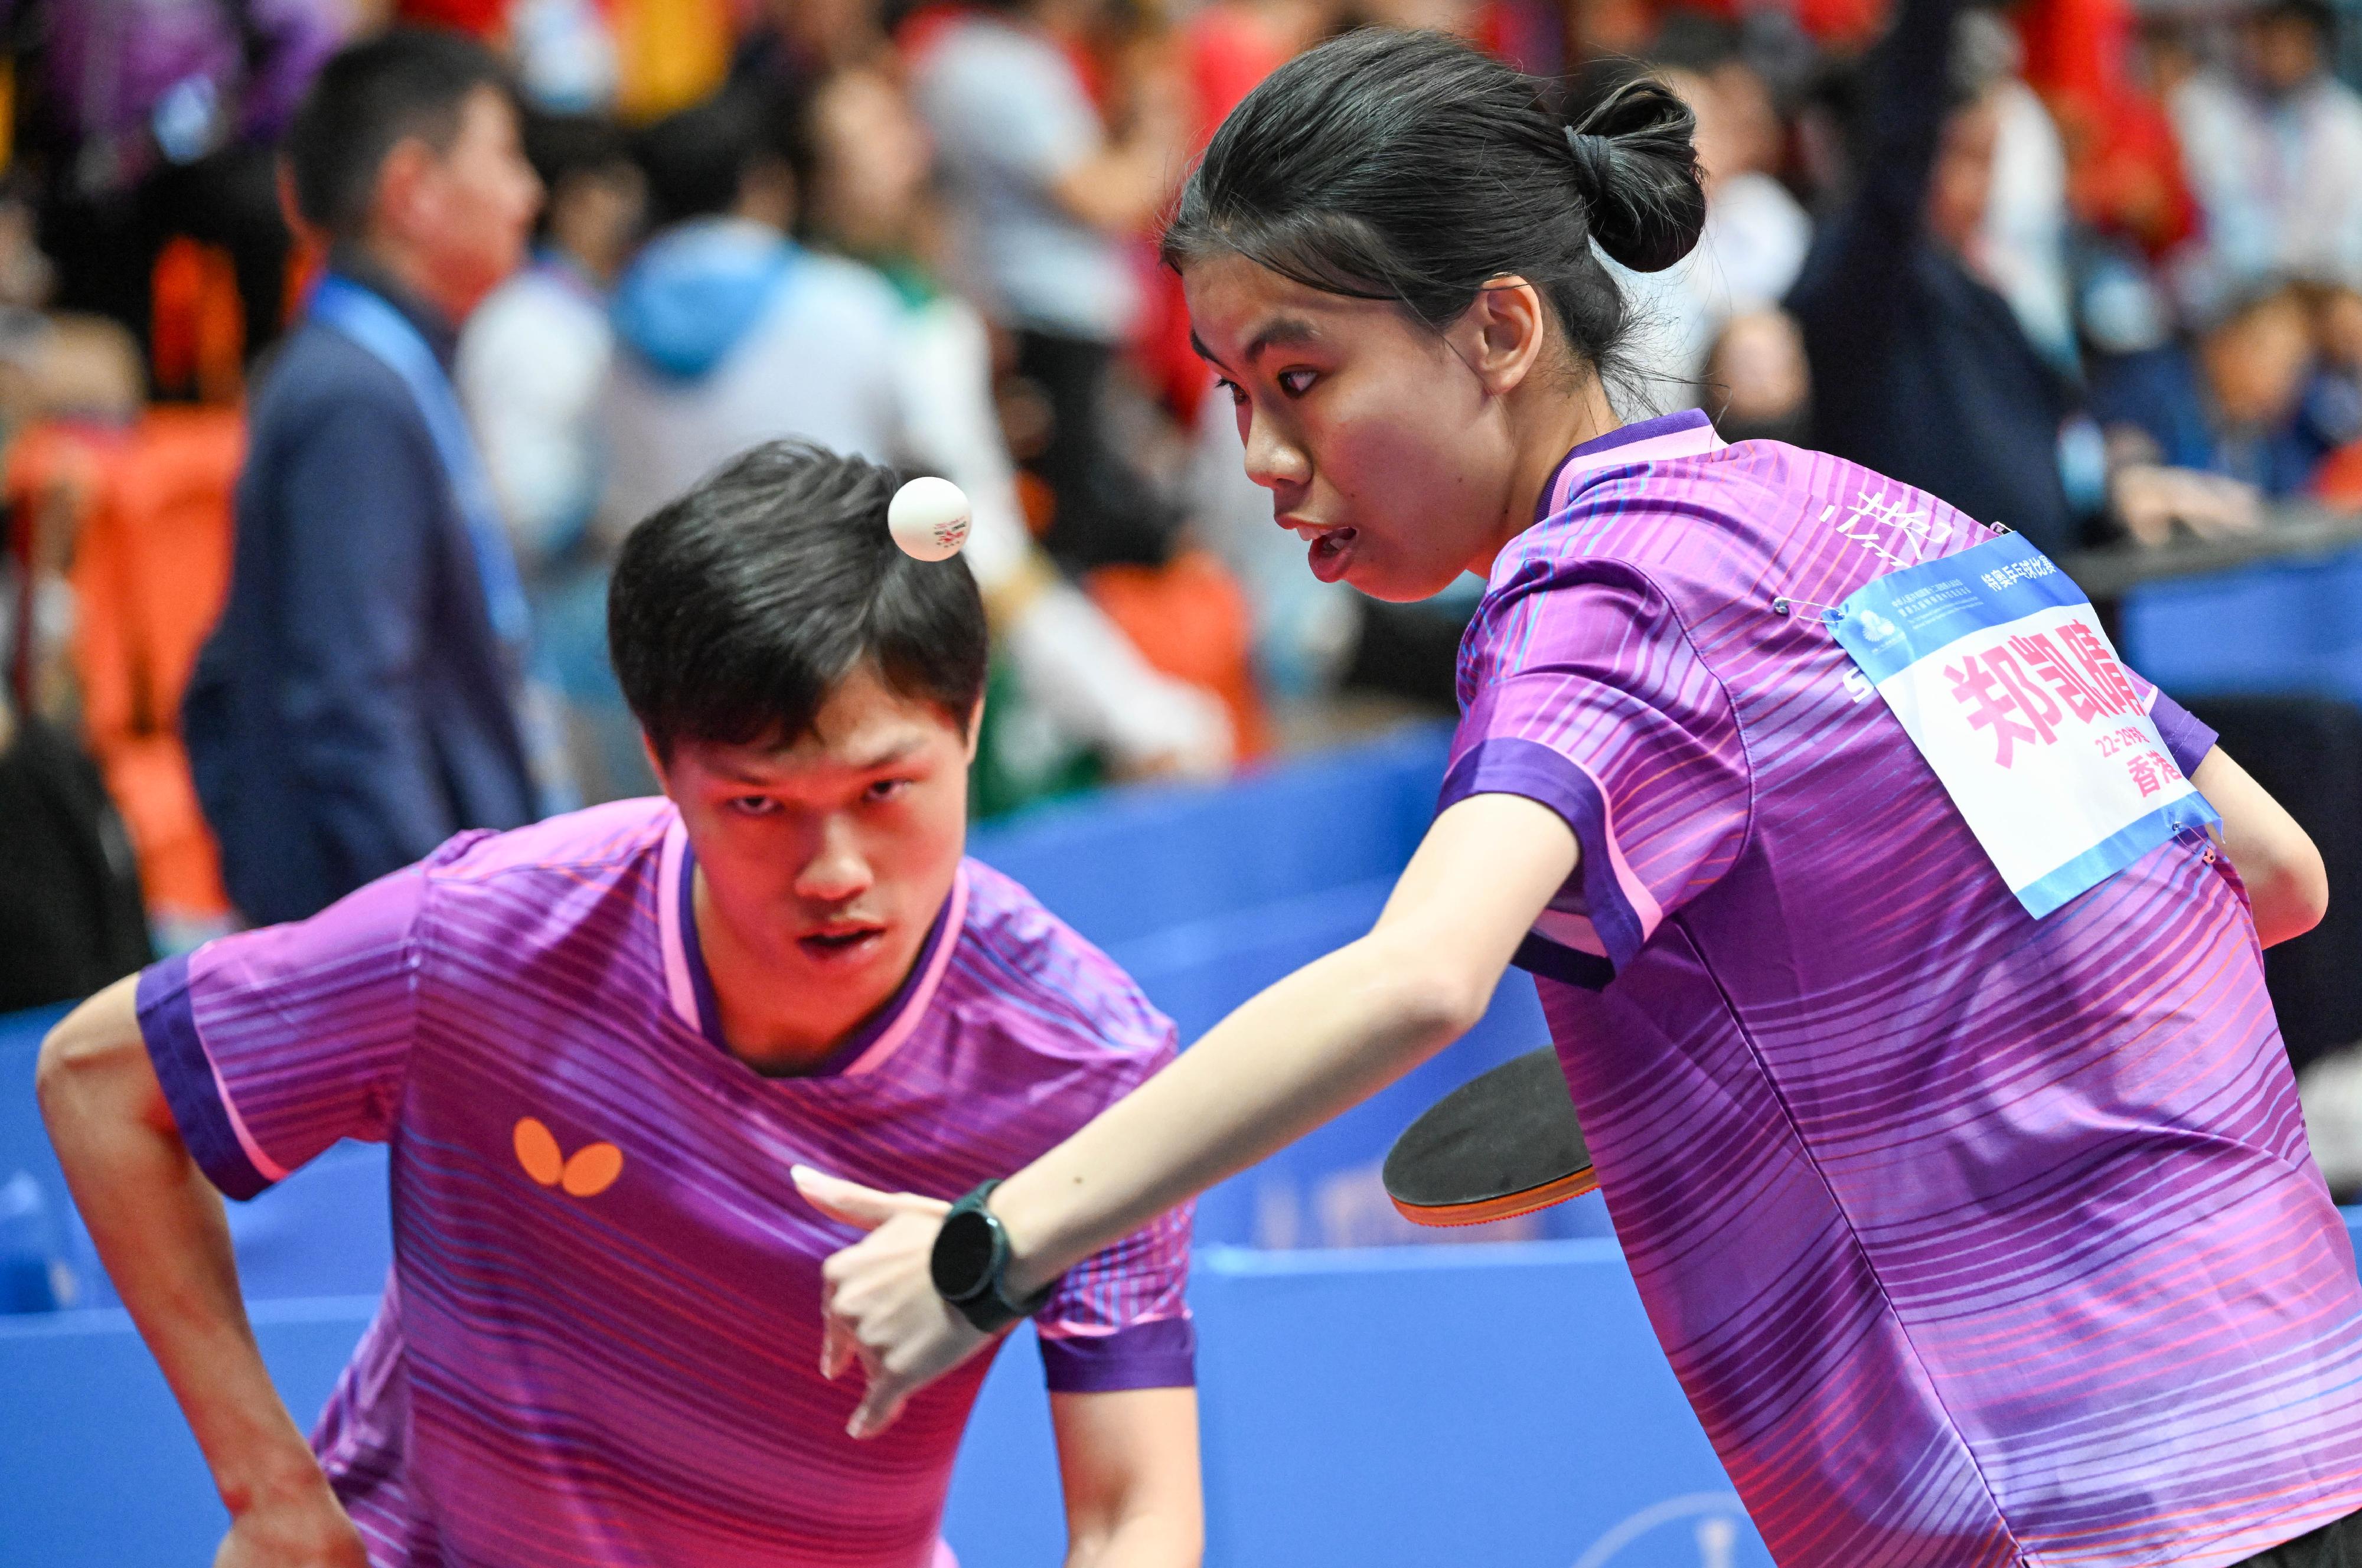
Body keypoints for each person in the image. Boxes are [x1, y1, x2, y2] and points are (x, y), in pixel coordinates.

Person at [807, 30, 2362, 1568]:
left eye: (1303, 376)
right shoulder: (1873, 515)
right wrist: (1815, 1031)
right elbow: (2271, 872)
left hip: (2058, 1497)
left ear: (1498, 330)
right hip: (2307, 1419)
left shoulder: (1608, 586)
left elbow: (1417, 977)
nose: (1264, 455)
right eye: (1227, 390)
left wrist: (991, 1245)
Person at [37, 442, 1204, 1567]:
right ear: (658, 758)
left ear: (971, 724)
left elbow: (1135, 1514)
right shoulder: (481, 936)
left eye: (885, 787)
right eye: (756, 804)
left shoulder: (1083, 1069)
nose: (833, 866)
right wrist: (272, 1493)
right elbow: (99, 1079)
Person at [605, 81, 1229, 784]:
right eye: (873, 136)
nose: (911, 147)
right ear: (785, 184)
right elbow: (976, 544)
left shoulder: (610, 335)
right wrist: (1133, 710)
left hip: (695, 694)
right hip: (869, 679)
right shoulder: (876, 316)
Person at [182, 31, 550, 928]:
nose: (529, 193)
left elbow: (225, 683)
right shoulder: (355, 393)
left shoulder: (365, 367)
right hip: (404, 946)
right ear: (413, 191)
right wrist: (443, 935)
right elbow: (351, 714)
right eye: (504, 157)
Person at [908, 0, 1189, 573]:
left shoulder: (960, 55)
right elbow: (1107, 197)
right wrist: (1164, 122)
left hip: (1024, 308)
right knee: (1069, 534)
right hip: (1049, 321)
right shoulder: (1001, 66)